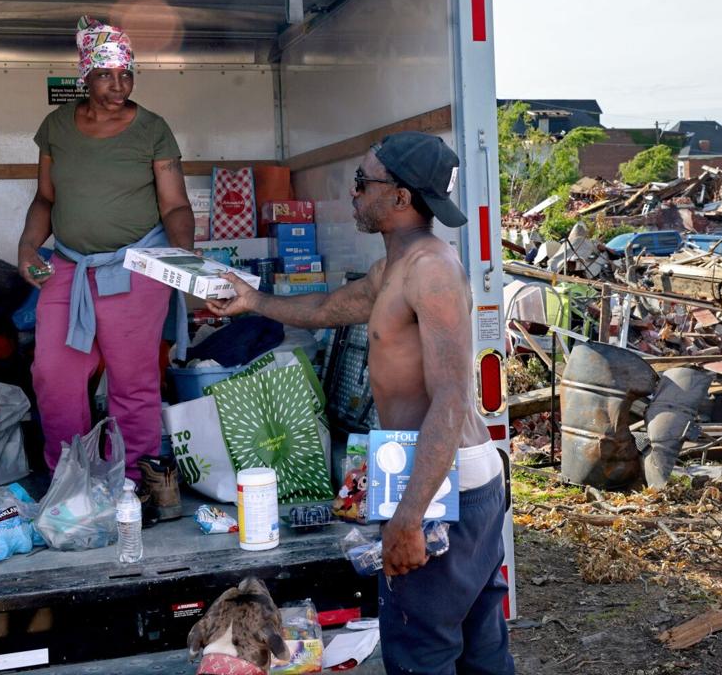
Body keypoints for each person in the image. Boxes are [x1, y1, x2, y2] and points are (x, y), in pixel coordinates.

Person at [207, 132, 514, 674]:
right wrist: (252, 300)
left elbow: (450, 397)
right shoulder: (395, 268)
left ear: (400, 198)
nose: (352, 193)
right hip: (446, 482)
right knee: (477, 650)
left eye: (362, 182)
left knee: (422, 651)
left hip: (446, 489)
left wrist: (409, 518)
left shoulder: (431, 270)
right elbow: (328, 307)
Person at [17, 16, 192, 519]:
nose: (118, 86)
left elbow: (176, 207)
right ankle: (69, 479)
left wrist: (184, 260)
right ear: (85, 76)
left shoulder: (152, 129)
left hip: (133, 265)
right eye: (106, 75)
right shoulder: (56, 127)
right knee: (53, 374)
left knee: (132, 380)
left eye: (127, 74)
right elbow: (45, 198)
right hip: (67, 266)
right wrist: (30, 247)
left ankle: (132, 484)